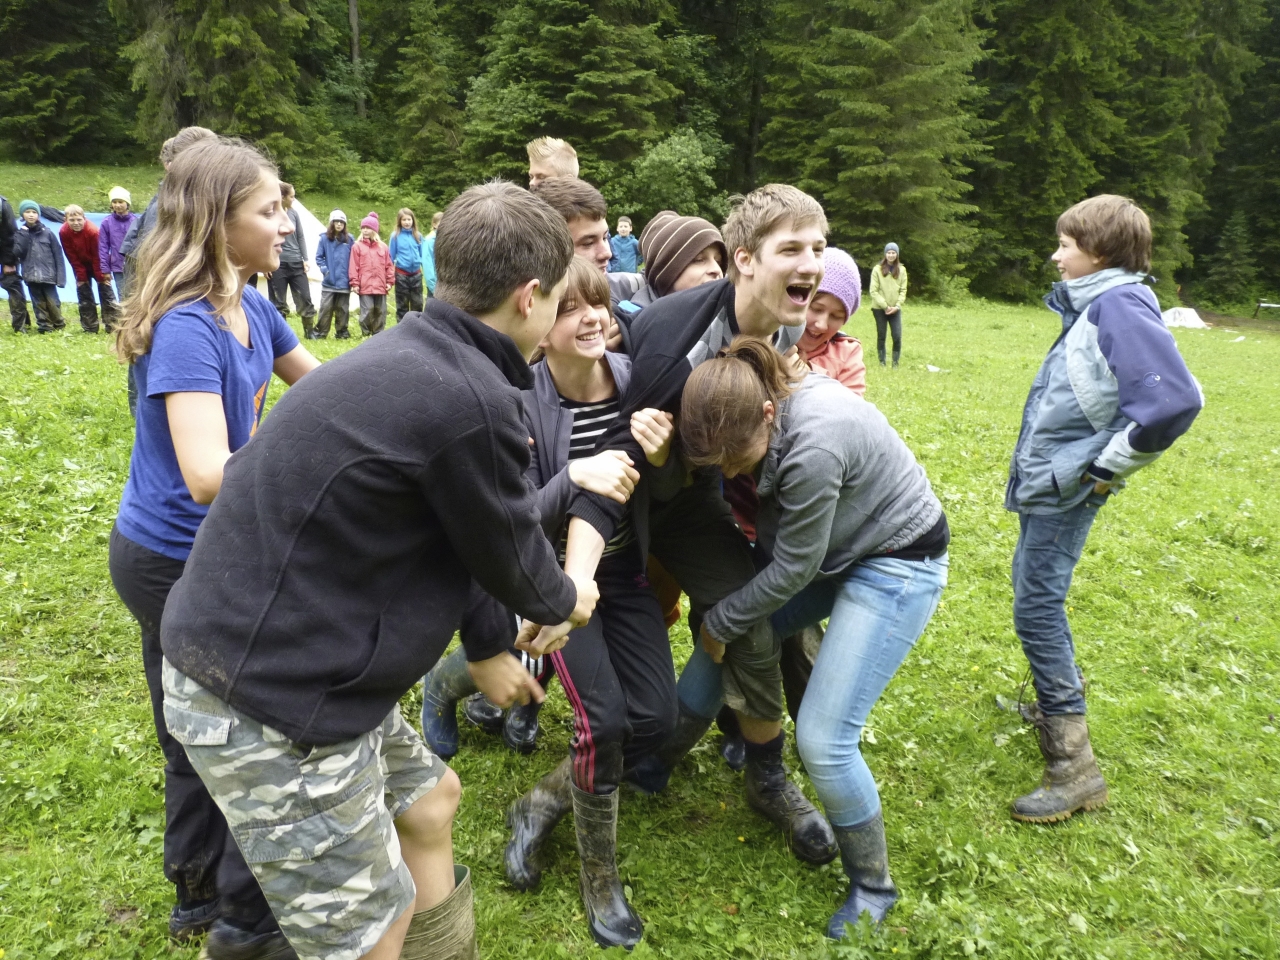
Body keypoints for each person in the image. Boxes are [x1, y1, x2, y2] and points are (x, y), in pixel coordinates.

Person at [158, 180, 597, 960]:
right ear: (530, 297)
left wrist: (489, 644)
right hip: (271, 698)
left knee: (431, 802)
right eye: (561, 300)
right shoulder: (469, 398)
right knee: (368, 930)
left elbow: (463, 535)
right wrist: (573, 594)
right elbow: (524, 570)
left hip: (284, 661)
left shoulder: (418, 358)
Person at [548, 184, 838, 866]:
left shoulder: (785, 322)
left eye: (819, 248)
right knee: (729, 624)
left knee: (766, 615)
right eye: (791, 249)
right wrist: (577, 571)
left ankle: (767, 766)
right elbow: (620, 470)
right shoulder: (674, 342)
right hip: (642, 506)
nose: (811, 264)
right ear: (745, 261)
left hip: (715, 494)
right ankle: (545, 770)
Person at [423, 258, 678, 948]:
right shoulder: (518, 402)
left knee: (656, 717)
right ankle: (600, 875)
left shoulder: (635, 380)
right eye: (570, 308)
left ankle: (538, 802)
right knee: (604, 723)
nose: (592, 318)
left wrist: (661, 460)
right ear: (540, 323)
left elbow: (666, 489)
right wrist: (573, 475)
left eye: (599, 304)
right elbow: (513, 518)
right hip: (555, 585)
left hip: (623, 574)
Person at [108, 137, 321, 959]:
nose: (285, 226)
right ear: (216, 222)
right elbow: (206, 474)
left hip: (212, 548)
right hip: (170, 558)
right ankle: (233, 909)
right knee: (222, 727)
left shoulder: (253, 309)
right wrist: (307, 467)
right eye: (269, 211)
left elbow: (322, 387)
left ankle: (199, 890)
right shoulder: (188, 328)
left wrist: (398, 403)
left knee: (196, 722)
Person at [677, 336, 948, 939]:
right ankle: (657, 756)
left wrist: (719, 622)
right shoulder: (756, 407)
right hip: (841, 548)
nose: (727, 471)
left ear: (767, 413)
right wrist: (728, 627)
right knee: (742, 632)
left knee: (824, 741)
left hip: (897, 560)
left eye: (735, 457)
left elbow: (793, 569)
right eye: (714, 462)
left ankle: (873, 885)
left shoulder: (814, 447)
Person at [1005, 194, 1202, 823]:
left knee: (1036, 605)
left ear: (1098, 251)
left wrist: (1104, 467)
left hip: (1069, 483)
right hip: (1055, 478)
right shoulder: (1098, 303)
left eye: (1065, 245)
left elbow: (1174, 402)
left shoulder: (1117, 305)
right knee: (1034, 591)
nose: (1055, 256)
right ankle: (1054, 704)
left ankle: (1074, 767)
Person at [798, 247, 865, 392]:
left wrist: (808, 373)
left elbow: (850, 404)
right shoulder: (767, 338)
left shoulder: (847, 354)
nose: (822, 325)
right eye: (816, 309)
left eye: (836, 316)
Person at [267, 182, 317, 335]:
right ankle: (280, 335)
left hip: (296, 262)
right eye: (292, 197)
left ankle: (309, 332)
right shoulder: (270, 214)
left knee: (305, 298)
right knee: (278, 302)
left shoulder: (294, 214)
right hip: (277, 264)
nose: (294, 199)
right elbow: (265, 238)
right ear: (282, 197)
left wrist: (305, 258)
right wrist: (266, 264)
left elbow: (300, 236)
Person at [60, 205, 119, 333]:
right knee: (84, 293)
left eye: (79, 220)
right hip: (80, 264)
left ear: (84, 218)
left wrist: (101, 276)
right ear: (66, 220)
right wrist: (81, 275)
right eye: (72, 220)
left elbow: (98, 255)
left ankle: (112, 325)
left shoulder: (93, 231)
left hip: (99, 263)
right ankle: (90, 327)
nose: (76, 223)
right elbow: (70, 255)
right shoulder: (63, 232)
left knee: (106, 293)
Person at [14, 200, 66, 333]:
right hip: (31, 276)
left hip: (48, 275)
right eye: (27, 212)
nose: (31, 215)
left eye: (34, 212)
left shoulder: (48, 233)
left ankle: (59, 325)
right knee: (38, 303)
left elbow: (58, 255)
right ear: (22, 215)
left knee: (53, 302)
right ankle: (45, 326)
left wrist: (61, 278)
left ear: (38, 215)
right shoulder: (20, 234)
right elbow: (17, 252)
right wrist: (24, 234)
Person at [349, 212, 394, 336]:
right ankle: (366, 332)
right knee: (367, 310)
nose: (365, 230)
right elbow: (353, 266)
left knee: (380, 311)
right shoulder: (357, 246)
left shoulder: (383, 247)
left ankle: (378, 333)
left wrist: (390, 282)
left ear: (374, 230)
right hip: (365, 285)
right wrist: (354, 283)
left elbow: (389, 265)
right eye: (363, 228)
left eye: (368, 228)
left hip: (380, 285)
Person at [315, 210, 354, 339]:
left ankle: (342, 332)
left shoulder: (350, 239)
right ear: (332, 223)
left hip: (344, 280)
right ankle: (321, 332)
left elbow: (354, 258)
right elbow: (319, 257)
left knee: (342, 309)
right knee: (326, 308)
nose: (339, 224)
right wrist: (325, 270)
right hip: (329, 281)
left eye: (341, 222)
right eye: (336, 222)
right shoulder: (324, 239)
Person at [869, 242, 906, 367]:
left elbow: (903, 290)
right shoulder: (877, 269)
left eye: (893, 253)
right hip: (879, 309)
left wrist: (897, 306)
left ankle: (895, 363)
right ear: (885, 254)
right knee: (881, 335)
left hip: (895, 309)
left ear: (897, 254)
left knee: (897, 336)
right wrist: (885, 306)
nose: (891, 255)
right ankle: (882, 362)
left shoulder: (902, 270)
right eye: (889, 252)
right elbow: (873, 291)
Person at [99, 187, 137, 300]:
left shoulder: (136, 221)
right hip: (117, 266)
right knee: (123, 295)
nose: (117, 205)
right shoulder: (106, 223)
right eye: (114, 202)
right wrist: (105, 269)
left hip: (135, 266)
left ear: (127, 203)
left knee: (136, 294)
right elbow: (103, 247)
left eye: (120, 202)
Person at [1, 192, 32, 332]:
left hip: (6, 252)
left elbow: (10, 234)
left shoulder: (2, 206)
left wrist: (9, 262)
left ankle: (21, 325)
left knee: (11, 283)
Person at [388, 207, 425, 322]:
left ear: (413, 220)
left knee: (418, 304)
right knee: (402, 304)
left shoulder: (418, 236)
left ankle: (417, 326)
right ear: (400, 221)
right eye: (404, 220)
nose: (407, 222)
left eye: (409, 219)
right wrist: (389, 276)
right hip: (401, 275)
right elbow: (390, 257)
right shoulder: (395, 236)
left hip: (416, 275)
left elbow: (423, 255)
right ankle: (402, 327)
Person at [422, 211, 442, 297]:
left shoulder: (445, 239)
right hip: (435, 287)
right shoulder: (429, 241)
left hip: (445, 286)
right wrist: (434, 289)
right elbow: (427, 266)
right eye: (441, 223)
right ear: (434, 224)